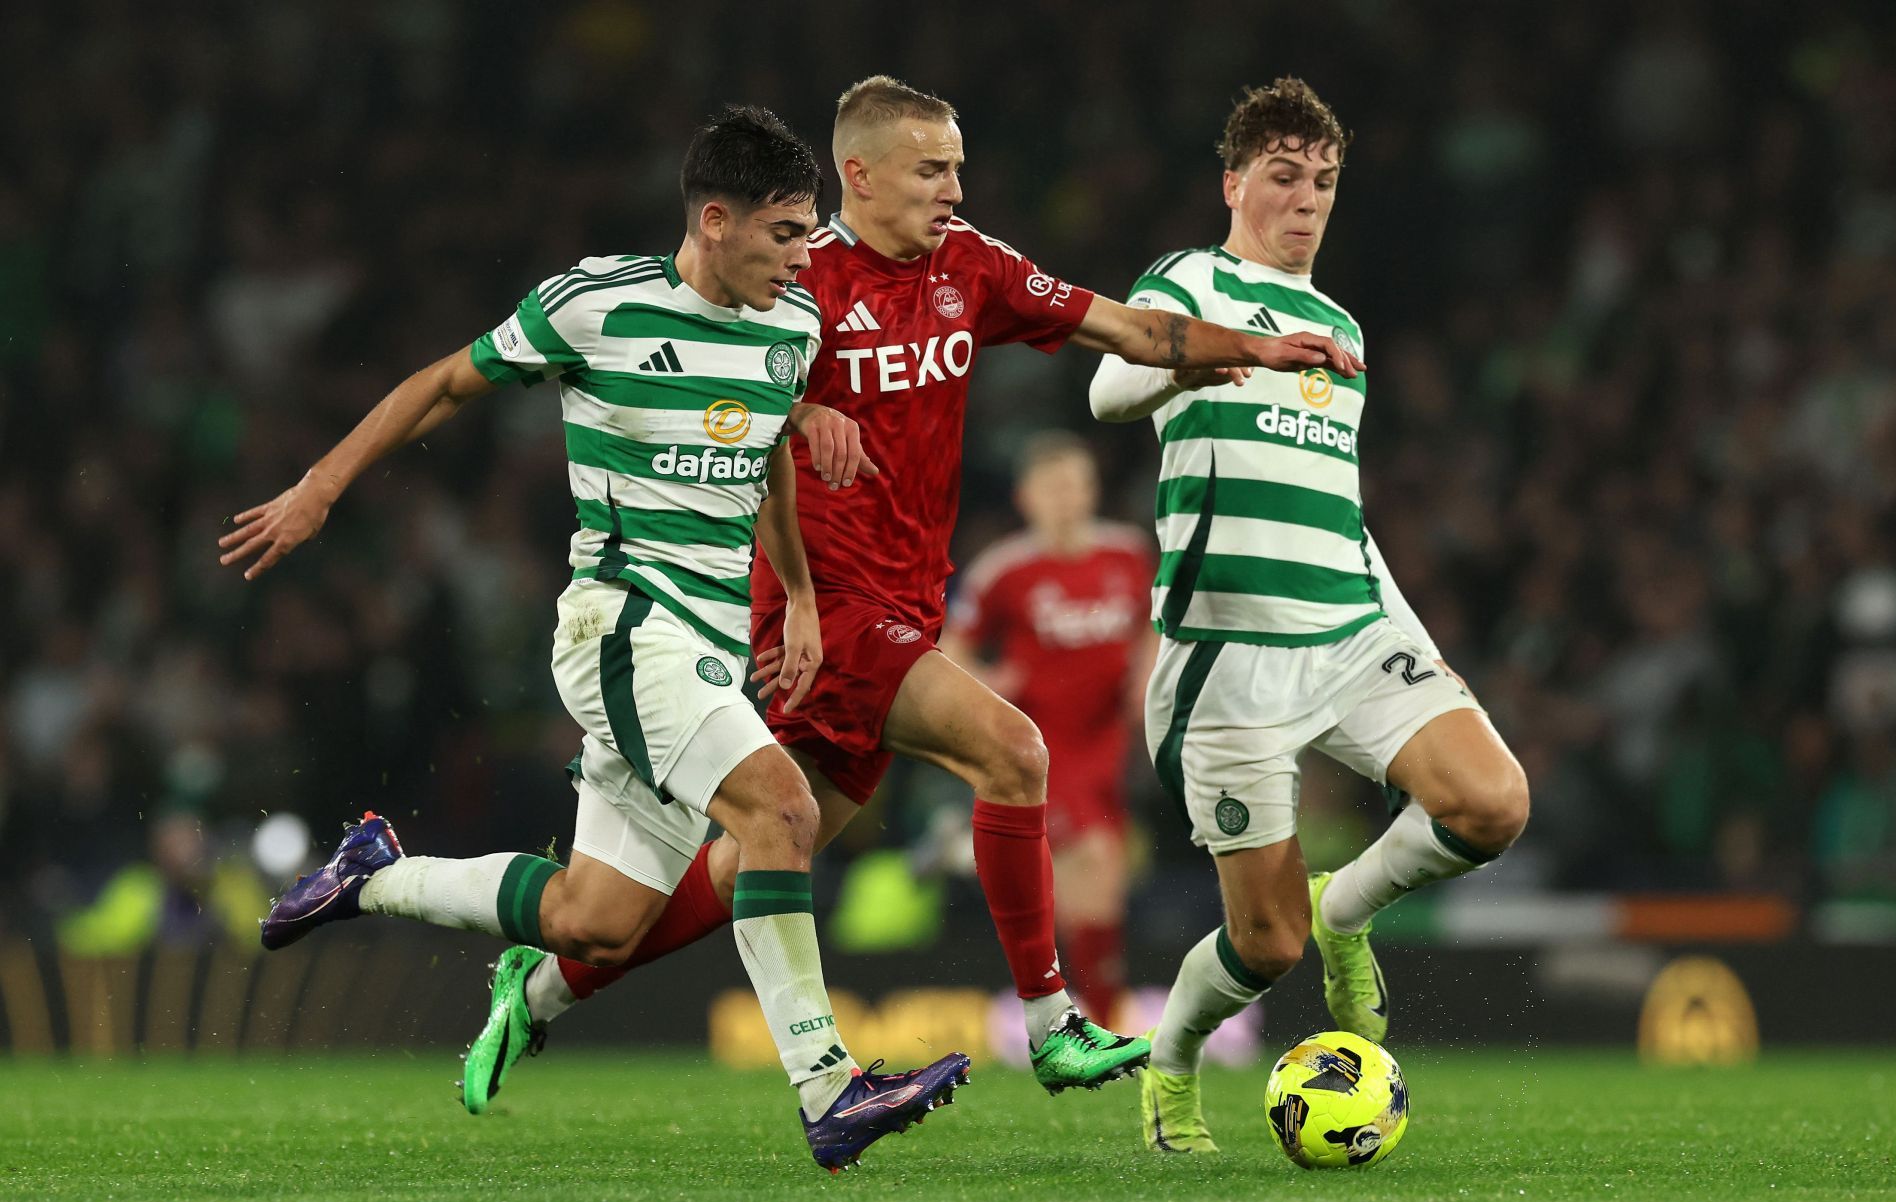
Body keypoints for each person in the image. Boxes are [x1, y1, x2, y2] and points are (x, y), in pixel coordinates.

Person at [475, 75, 1361, 1105]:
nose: (953, 186)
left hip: (907, 601)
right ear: (860, 174)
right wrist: (799, 554)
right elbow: (733, 424)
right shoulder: (795, 285)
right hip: (831, 609)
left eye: (958, 168)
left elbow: (1125, 328)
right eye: (931, 168)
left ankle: (540, 990)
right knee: (1012, 749)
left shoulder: (970, 266)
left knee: (744, 867)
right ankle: (1052, 1023)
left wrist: (1250, 347)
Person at [217, 105, 969, 1175]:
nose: (807, 256)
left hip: (703, 639)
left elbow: (766, 452)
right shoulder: (594, 306)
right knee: (783, 805)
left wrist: (798, 593)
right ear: (716, 220)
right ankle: (830, 1087)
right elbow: (443, 383)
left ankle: (370, 872)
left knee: (595, 921)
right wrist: (321, 486)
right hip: (623, 623)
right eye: (787, 232)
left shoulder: (789, 325)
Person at [1086, 77, 1529, 1154]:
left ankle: (1350, 907)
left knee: (1492, 803)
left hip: (1349, 628)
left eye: (1324, 181)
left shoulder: (1341, 326)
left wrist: (1414, 642)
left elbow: (1340, 508)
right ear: (1234, 183)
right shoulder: (1192, 281)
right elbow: (1105, 394)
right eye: (1285, 176)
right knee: (1265, 942)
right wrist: (1223, 347)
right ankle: (1174, 1066)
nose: (1307, 200)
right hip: (1230, 657)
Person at [944, 432, 1156, 1027]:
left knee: (1104, 882)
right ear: (1026, 498)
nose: (1066, 498)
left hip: (1109, 744)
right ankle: (1095, 1019)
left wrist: (1146, 675)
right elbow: (948, 654)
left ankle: (1085, 1016)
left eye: (1075, 484)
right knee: (1090, 863)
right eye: (1052, 487)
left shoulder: (1128, 555)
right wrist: (991, 683)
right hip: (1044, 748)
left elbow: (1153, 623)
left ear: (1092, 490)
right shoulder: (1003, 572)